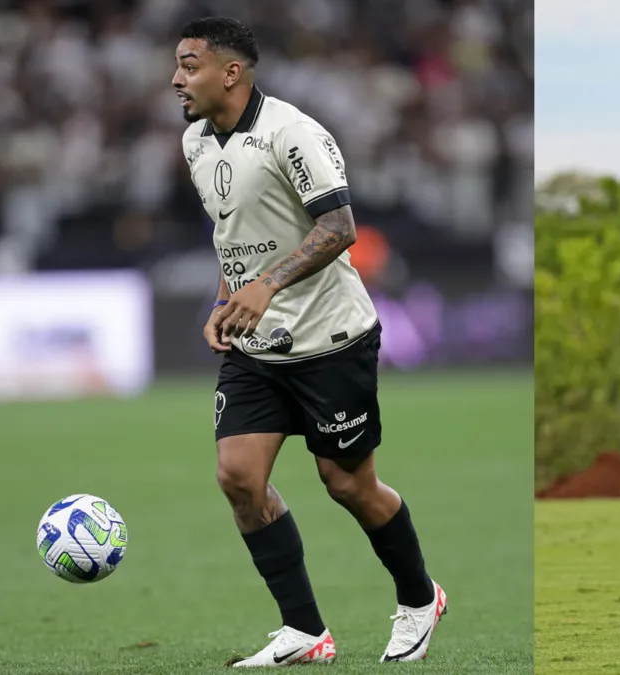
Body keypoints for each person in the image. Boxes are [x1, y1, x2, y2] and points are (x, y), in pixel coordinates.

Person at [173, 17, 447, 666]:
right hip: (256, 345)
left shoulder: (292, 133)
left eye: (189, 65)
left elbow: (340, 226)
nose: (176, 79)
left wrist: (263, 286)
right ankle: (305, 630)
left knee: (348, 485)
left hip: (331, 339)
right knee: (239, 478)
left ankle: (419, 597)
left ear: (231, 72)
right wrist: (225, 299)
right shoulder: (194, 143)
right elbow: (234, 234)